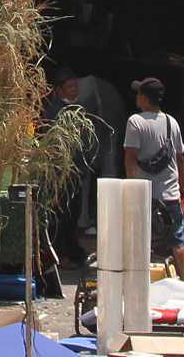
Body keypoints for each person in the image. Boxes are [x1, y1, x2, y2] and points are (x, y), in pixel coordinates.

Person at [48, 67, 123, 263]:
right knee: (62, 216)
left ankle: (74, 252)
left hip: (77, 173)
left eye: (75, 86)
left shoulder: (75, 110)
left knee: (73, 216)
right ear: (59, 90)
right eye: (69, 87)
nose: (74, 90)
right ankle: (61, 254)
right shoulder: (55, 112)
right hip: (63, 174)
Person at [121, 77, 184, 281]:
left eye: (138, 94)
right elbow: (180, 158)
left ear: (143, 97)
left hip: (147, 198)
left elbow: (131, 157)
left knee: (142, 241)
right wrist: (182, 187)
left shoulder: (136, 122)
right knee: (178, 239)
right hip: (171, 196)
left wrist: (131, 188)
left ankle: (141, 282)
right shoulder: (172, 123)